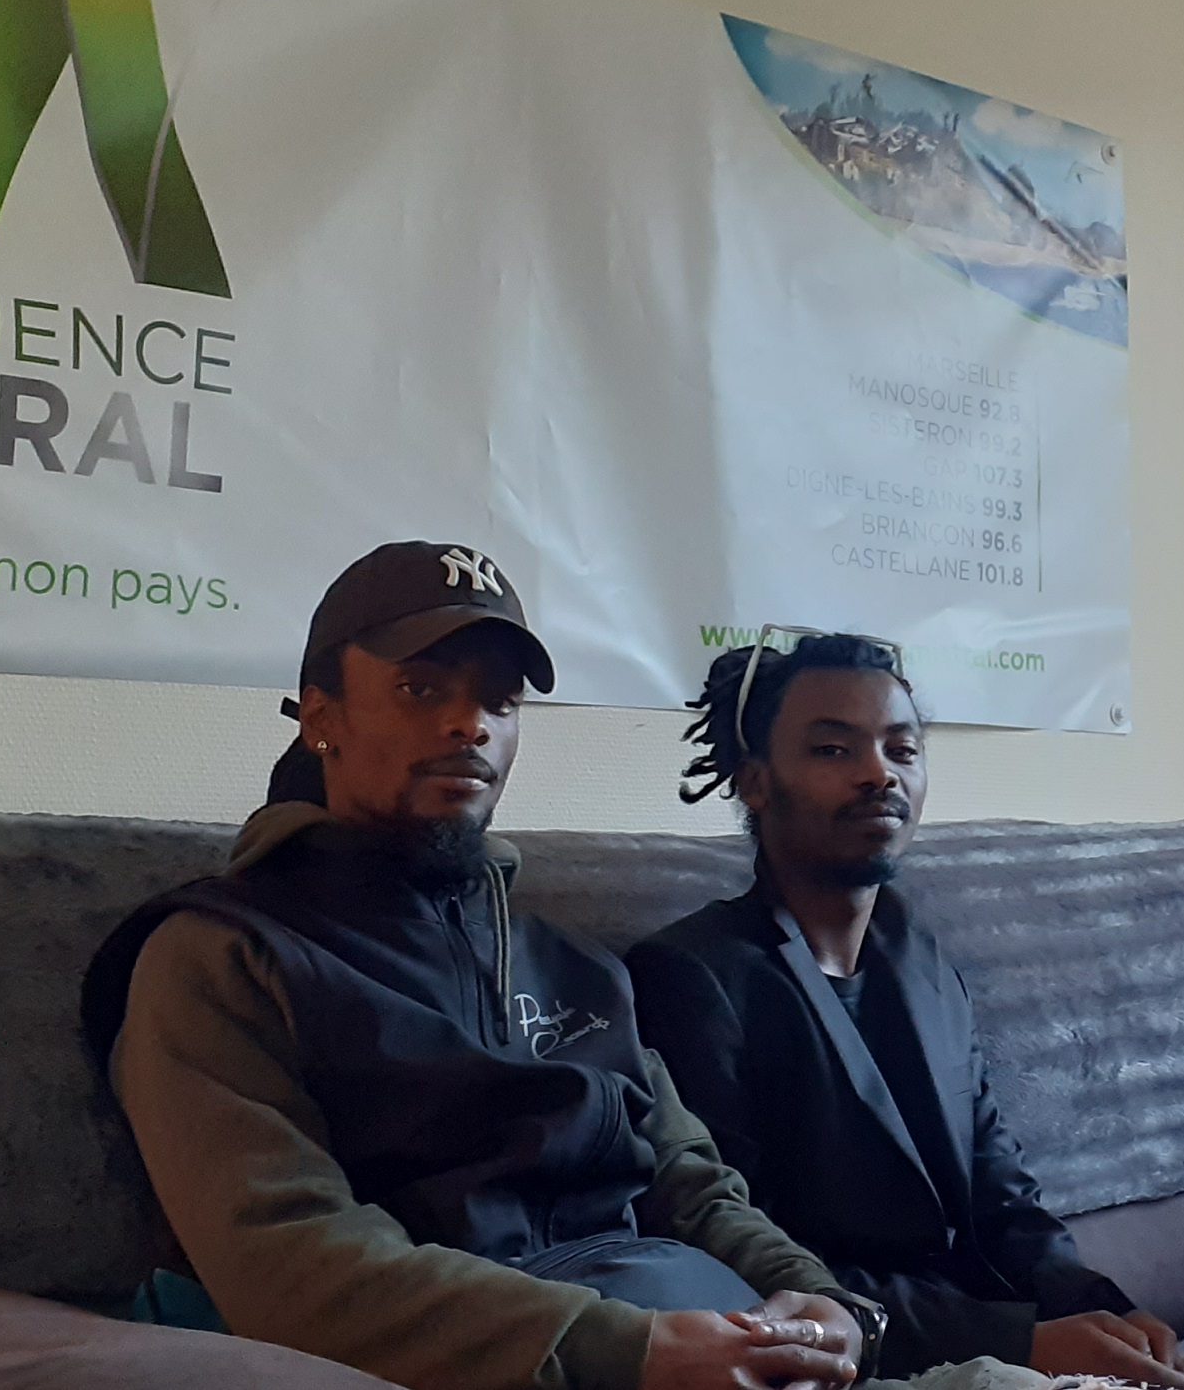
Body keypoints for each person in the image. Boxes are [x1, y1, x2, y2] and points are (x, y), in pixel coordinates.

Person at [82, 542, 889, 1390]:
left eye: (499, 701)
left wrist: (821, 1300)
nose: (470, 724)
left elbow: (691, 1183)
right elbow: (287, 1258)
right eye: (420, 689)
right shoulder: (225, 953)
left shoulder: (574, 967)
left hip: (709, 1338)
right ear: (321, 716)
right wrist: (632, 1350)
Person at [624, 633, 1184, 1390]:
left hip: (1021, 1338)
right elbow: (744, 1256)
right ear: (755, 780)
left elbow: (1000, 1195)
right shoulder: (693, 976)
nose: (879, 774)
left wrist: (1101, 1305)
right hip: (882, 1354)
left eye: (902, 749)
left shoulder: (921, 960)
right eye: (833, 749)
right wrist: (1017, 1341)